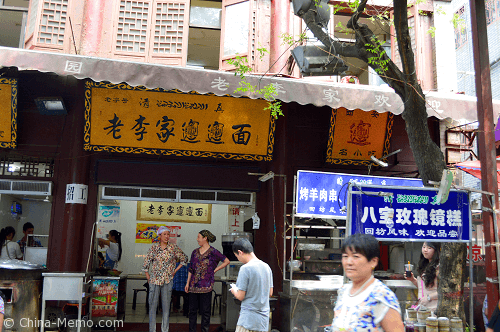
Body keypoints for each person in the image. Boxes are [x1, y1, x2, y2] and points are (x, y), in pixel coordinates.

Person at [331, 233, 404, 332]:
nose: (349, 262)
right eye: (345, 256)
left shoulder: (381, 296)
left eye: (356, 256)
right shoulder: (343, 291)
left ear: (373, 261)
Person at [142, 226, 188, 332]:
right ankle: (152, 329)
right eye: (165, 234)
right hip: (154, 280)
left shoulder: (173, 248)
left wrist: (175, 270)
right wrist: (148, 277)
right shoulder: (154, 248)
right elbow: (146, 262)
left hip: (167, 280)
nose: (167, 236)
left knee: (166, 307)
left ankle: (165, 329)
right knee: (152, 306)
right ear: (159, 236)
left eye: (168, 234)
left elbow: (184, 258)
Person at [185, 230, 230, 332]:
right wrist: (187, 283)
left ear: (205, 238)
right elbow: (190, 269)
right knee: (192, 311)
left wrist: (215, 270)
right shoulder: (194, 252)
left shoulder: (213, 252)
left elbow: (227, 261)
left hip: (206, 286)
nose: (197, 239)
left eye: (199, 237)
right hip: (193, 286)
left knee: (205, 312)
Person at [230, 237, 273, 332]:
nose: (238, 259)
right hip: (263, 322)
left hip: (248, 320)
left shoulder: (245, 268)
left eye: (237, 256)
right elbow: (270, 293)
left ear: (240, 252)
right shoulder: (267, 267)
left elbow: (240, 296)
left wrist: (234, 290)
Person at [405, 242, 440, 312]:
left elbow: (444, 291)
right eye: (424, 247)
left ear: (436, 251)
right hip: (423, 308)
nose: (425, 250)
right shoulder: (425, 265)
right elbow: (424, 287)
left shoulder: (439, 267)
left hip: (434, 308)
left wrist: (428, 298)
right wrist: (412, 279)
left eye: (429, 248)